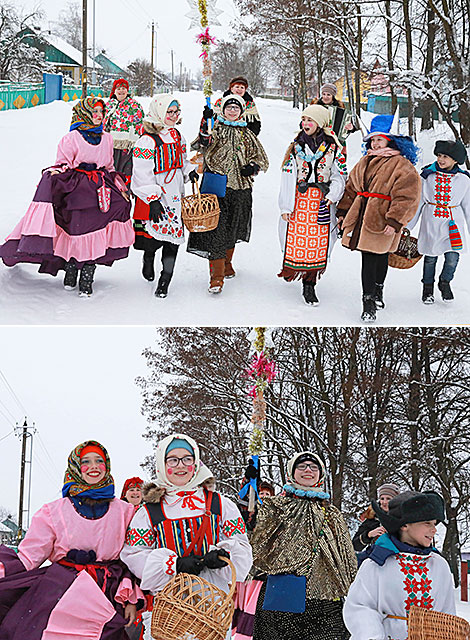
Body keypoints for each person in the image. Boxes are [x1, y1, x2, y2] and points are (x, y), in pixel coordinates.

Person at [0, 440, 143, 639]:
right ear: (76, 467)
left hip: (107, 591)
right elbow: (29, 557)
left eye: (99, 461)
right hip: (63, 589)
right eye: (86, 461)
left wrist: (132, 599)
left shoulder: (125, 511)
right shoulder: (53, 512)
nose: (94, 467)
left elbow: (134, 556)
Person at [120, 434, 253, 640]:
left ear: (196, 462)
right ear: (162, 464)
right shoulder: (149, 511)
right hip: (168, 611)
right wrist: (173, 564)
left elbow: (241, 546)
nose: (181, 465)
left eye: (187, 459)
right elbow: (134, 554)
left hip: (211, 608)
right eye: (173, 460)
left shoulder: (220, 503)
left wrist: (222, 556)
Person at [0, 97, 134, 296]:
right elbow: (63, 163)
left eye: (101, 112)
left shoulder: (107, 138)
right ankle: (71, 271)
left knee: (97, 232)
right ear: (84, 113)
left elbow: (109, 166)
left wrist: (118, 184)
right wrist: (54, 174)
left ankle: (88, 276)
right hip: (78, 190)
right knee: (75, 232)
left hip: (100, 191)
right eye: (94, 112)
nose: (98, 116)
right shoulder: (71, 138)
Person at [250, 451, 357, 640]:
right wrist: (249, 491)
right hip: (283, 594)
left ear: (321, 473)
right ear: (292, 471)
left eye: (313, 467)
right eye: (302, 466)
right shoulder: (276, 507)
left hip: (325, 598)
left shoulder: (332, 514)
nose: (308, 470)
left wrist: (355, 589)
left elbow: (346, 554)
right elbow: (257, 535)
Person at [336, 114, 421, 322]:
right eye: (372, 140)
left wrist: (395, 222)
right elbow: (351, 188)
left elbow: (407, 196)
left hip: (384, 219)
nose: (374, 143)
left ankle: (378, 290)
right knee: (368, 257)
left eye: (379, 139)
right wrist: (343, 212)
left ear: (390, 140)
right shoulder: (365, 161)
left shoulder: (401, 165)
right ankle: (368, 302)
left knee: (381, 256)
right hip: (363, 217)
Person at [343, 490, 455, 640]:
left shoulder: (439, 565)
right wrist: (374, 636)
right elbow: (360, 607)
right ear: (404, 525)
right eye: (427, 523)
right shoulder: (377, 563)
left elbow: (447, 614)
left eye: (434, 523)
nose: (434, 529)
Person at [188, 94, 269, 293]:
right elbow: (203, 143)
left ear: (241, 111)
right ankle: (216, 277)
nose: (232, 111)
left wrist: (253, 167)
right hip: (216, 188)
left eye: (236, 108)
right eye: (228, 107)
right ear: (222, 110)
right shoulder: (215, 128)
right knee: (217, 230)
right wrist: (205, 120)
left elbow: (261, 159)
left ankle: (226, 263)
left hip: (240, 188)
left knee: (234, 227)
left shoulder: (247, 134)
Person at [278, 104, 347, 306]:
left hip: (322, 203)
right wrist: (285, 206)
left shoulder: (334, 147)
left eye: (310, 119)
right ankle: (293, 269)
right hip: (299, 201)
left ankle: (310, 284)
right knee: (294, 241)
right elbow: (287, 175)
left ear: (321, 123)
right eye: (304, 119)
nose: (305, 123)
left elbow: (339, 175)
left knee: (321, 244)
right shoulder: (295, 146)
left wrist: (333, 195)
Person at [131, 94, 197, 297]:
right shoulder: (146, 141)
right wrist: (152, 200)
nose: (174, 116)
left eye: (177, 112)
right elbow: (141, 173)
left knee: (173, 240)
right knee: (153, 237)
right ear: (159, 112)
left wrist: (189, 171)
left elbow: (182, 160)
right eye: (169, 112)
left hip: (176, 193)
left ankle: (165, 279)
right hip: (157, 193)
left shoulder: (178, 136)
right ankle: (148, 258)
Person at [407, 139, 470, 304]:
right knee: (430, 258)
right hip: (431, 222)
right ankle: (427, 288)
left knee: (453, 257)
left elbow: (468, 205)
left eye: (446, 157)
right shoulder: (427, 176)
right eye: (439, 155)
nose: (441, 159)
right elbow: (418, 201)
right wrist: (408, 225)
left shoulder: (463, 180)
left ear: (456, 160)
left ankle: (445, 282)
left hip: (453, 223)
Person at [104, 78, 144, 185]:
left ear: (127, 90)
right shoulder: (108, 105)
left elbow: (139, 123)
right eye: (118, 88)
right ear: (114, 90)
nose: (121, 91)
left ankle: (124, 198)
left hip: (127, 149)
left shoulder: (134, 105)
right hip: (110, 147)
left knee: (126, 175)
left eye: (124, 88)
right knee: (110, 174)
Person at [352, 483, 400, 552]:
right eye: (382, 498)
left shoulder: (402, 518)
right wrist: (369, 535)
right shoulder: (372, 519)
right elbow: (355, 546)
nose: (384, 502)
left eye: (388, 499)